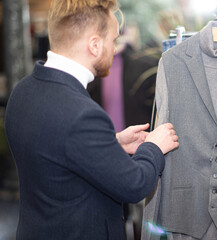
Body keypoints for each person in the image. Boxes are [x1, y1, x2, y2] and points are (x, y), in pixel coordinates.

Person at [4, 0, 179, 239]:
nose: (115, 48)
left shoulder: (23, 90)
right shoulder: (82, 114)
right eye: (113, 40)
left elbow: (55, 149)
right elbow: (134, 185)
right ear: (94, 45)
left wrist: (112, 143)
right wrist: (154, 147)